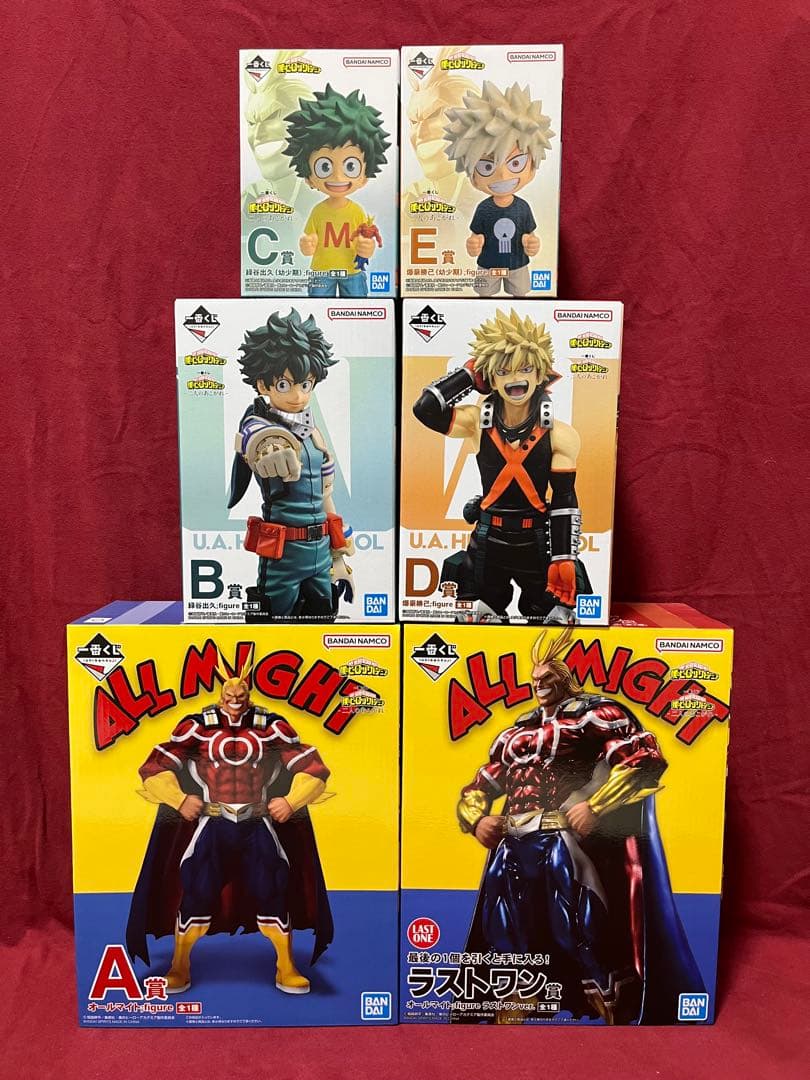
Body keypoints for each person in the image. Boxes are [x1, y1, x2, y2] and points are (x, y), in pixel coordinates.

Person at [455, 628, 705, 1024]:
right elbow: (479, 787)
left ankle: (608, 997)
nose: (538, 684)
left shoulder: (593, 714)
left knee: (575, 920)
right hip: (513, 838)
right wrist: (476, 819)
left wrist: (597, 805)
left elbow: (642, 760)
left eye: (547, 677)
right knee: (502, 922)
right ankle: (520, 994)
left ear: (564, 678)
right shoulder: (515, 733)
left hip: (560, 834)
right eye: (535, 678)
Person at [126, 653, 333, 995]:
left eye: (241, 695)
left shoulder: (270, 726)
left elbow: (313, 768)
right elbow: (154, 767)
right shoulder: (198, 726)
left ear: (249, 693)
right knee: (196, 888)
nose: (235, 701)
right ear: (221, 693)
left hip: (256, 822)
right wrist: (178, 799)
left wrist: (292, 801)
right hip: (213, 821)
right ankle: (180, 964)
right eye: (229, 695)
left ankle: (285, 965)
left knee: (273, 887)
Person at [413, 308, 587, 623]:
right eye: (503, 371)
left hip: (536, 540)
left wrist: (563, 558)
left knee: (548, 617)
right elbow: (425, 409)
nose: (516, 379)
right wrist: (468, 374)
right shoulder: (475, 422)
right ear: (490, 378)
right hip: (487, 540)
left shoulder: (561, 436)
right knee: (476, 616)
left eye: (526, 368)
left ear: (541, 375)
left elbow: (564, 498)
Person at [228, 308, 356, 622]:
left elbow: (326, 497)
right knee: (273, 623)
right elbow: (252, 438)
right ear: (263, 385)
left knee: (323, 619)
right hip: (283, 555)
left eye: (306, 384)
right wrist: (269, 445)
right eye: (284, 385)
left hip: (319, 553)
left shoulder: (314, 434)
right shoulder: (258, 422)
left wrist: (338, 555)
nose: (298, 395)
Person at [443, 82, 555, 296]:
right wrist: (474, 244)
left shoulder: (522, 208)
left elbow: (530, 233)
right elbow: (476, 235)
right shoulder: (484, 209)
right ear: (472, 176)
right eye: (487, 167)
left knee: (520, 293)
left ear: (532, 166)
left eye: (516, 163)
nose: (503, 176)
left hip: (518, 263)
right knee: (484, 295)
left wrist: (532, 243)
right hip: (488, 264)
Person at [283, 85, 391, 297]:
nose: (338, 178)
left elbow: (366, 239)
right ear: (308, 177)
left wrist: (367, 247)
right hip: (322, 271)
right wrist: (306, 245)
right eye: (324, 166)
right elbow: (309, 239)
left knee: (358, 306)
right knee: (318, 308)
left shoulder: (357, 211)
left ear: (365, 176)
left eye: (351, 166)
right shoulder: (318, 211)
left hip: (352, 270)